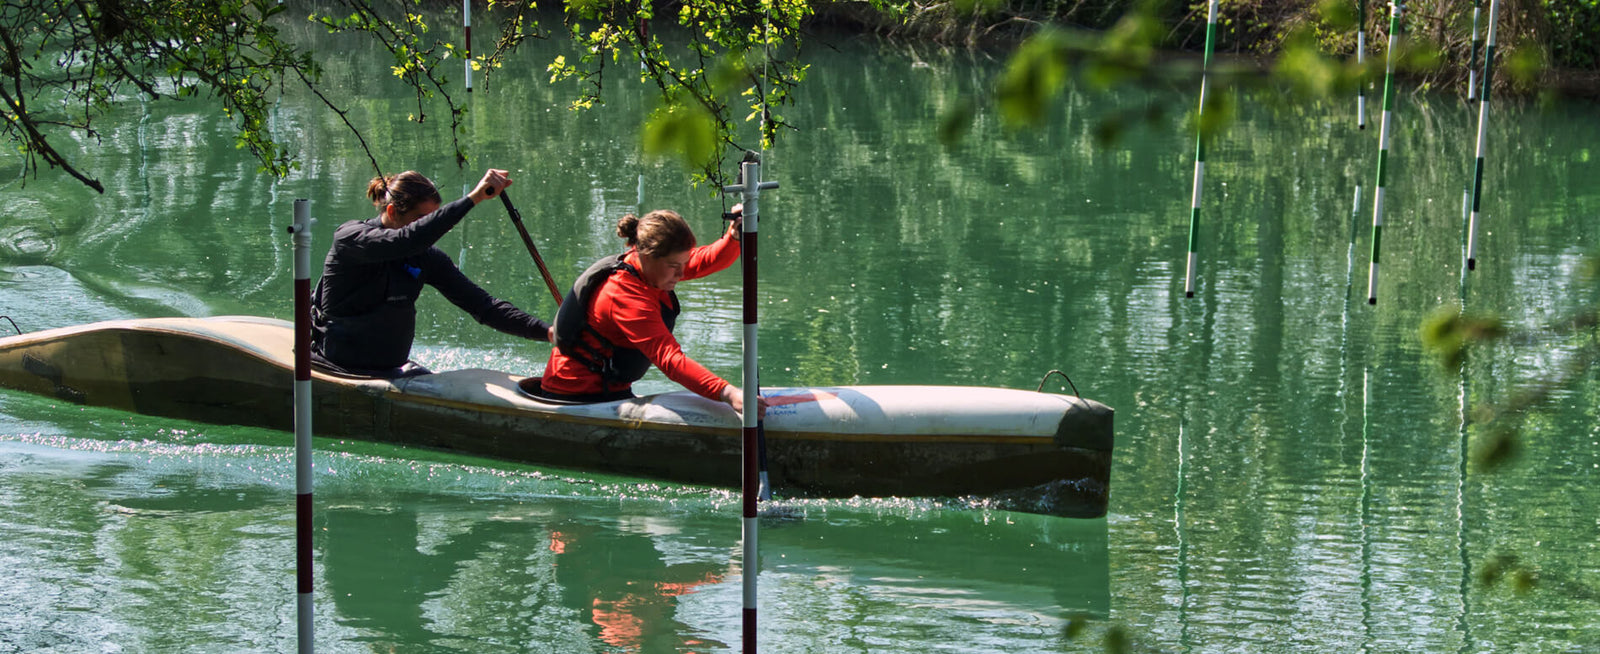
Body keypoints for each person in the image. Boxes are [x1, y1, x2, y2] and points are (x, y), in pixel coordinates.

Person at [310, 169, 551, 378]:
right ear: (393, 212)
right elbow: (407, 239)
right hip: (339, 364)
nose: (431, 228)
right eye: (422, 219)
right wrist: (473, 198)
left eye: (433, 217)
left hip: (392, 370)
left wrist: (548, 332)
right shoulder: (351, 239)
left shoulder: (427, 257)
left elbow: (484, 306)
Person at [529, 208, 764, 415]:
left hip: (610, 391)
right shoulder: (625, 295)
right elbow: (670, 360)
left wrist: (733, 235)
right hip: (574, 397)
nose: (681, 274)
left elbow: (706, 260)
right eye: (674, 267)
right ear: (646, 255)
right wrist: (728, 393)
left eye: (683, 264)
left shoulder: (653, 268)